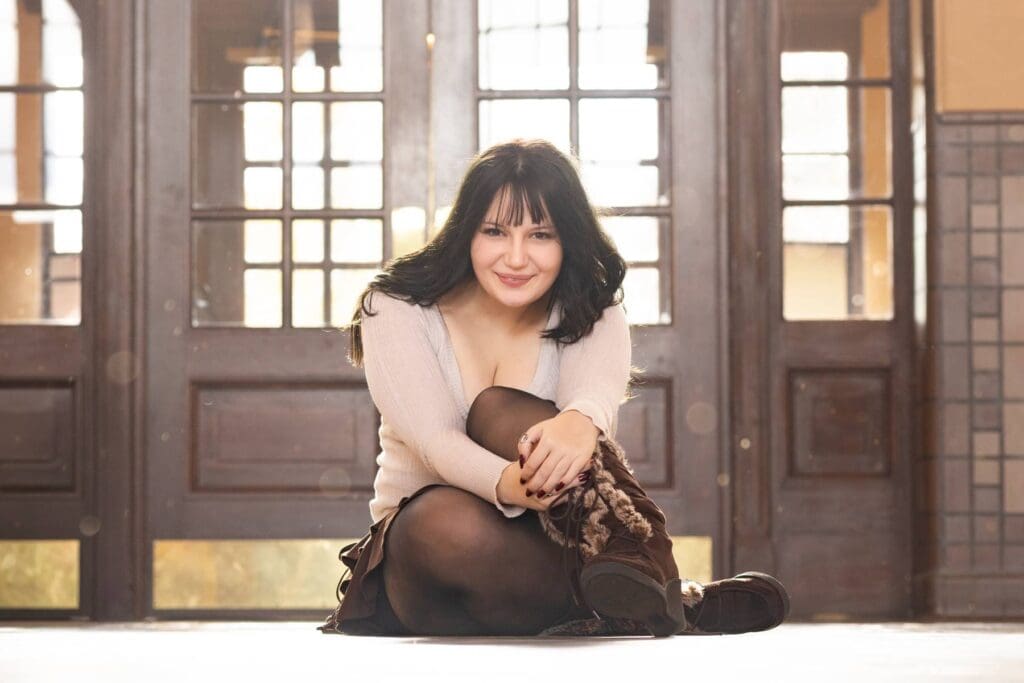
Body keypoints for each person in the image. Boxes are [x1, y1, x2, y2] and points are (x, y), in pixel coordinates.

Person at [318, 139, 789, 637]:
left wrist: (578, 425)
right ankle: (672, 601)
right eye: (495, 231)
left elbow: (592, 405)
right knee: (435, 518)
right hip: (425, 563)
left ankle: (641, 579)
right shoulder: (394, 308)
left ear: (568, 239)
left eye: (540, 234)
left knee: (507, 412)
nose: (516, 258)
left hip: (550, 547)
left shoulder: (593, 310)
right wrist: (508, 483)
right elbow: (435, 442)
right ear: (466, 232)